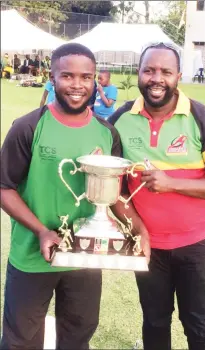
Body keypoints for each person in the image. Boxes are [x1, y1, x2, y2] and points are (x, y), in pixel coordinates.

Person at [109, 42, 205, 350]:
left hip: (197, 248)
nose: (157, 78)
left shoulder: (200, 117)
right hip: (149, 246)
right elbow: (112, 186)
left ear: (178, 75)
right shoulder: (121, 119)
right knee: (154, 322)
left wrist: (172, 184)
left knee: (199, 325)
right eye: (149, 70)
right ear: (138, 73)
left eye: (166, 71)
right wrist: (139, 230)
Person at [0, 43, 122, 350]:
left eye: (86, 77)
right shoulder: (28, 127)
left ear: (96, 80)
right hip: (32, 257)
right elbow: (3, 187)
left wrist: (137, 231)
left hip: (85, 258)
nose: (78, 85)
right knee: (20, 343)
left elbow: (115, 194)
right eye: (67, 76)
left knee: (78, 338)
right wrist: (41, 230)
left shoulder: (107, 133)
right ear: (52, 77)